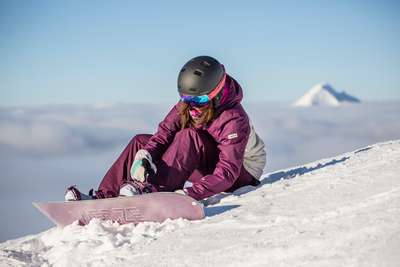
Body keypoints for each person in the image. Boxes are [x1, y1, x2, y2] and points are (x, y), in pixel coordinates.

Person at [65, 56, 266, 202]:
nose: (192, 104)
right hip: (208, 161)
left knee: (190, 136)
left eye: (199, 99)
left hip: (240, 172)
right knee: (141, 142)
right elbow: (164, 133)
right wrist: (145, 156)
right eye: (187, 98)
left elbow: (227, 173)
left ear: (215, 92)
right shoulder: (188, 105)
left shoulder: (233, 118)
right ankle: (106, 196)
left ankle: (154, 191)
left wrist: (189, 194)